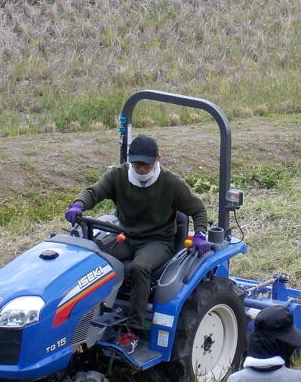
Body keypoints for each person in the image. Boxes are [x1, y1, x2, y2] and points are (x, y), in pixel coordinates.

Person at [65, 135, 210, 347]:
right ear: (129, 159)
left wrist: (200, 234)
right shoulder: (118, 176)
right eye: (136, 163)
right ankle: (84, 315)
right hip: (125, 234)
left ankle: (133, 330)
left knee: (140, 267)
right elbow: (93, 192)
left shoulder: (170, 183)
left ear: (158, 159)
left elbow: (197, 209)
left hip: (158, 241)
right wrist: (79, 205)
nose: (141, 168)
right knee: (95, 259)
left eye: (145, 164)